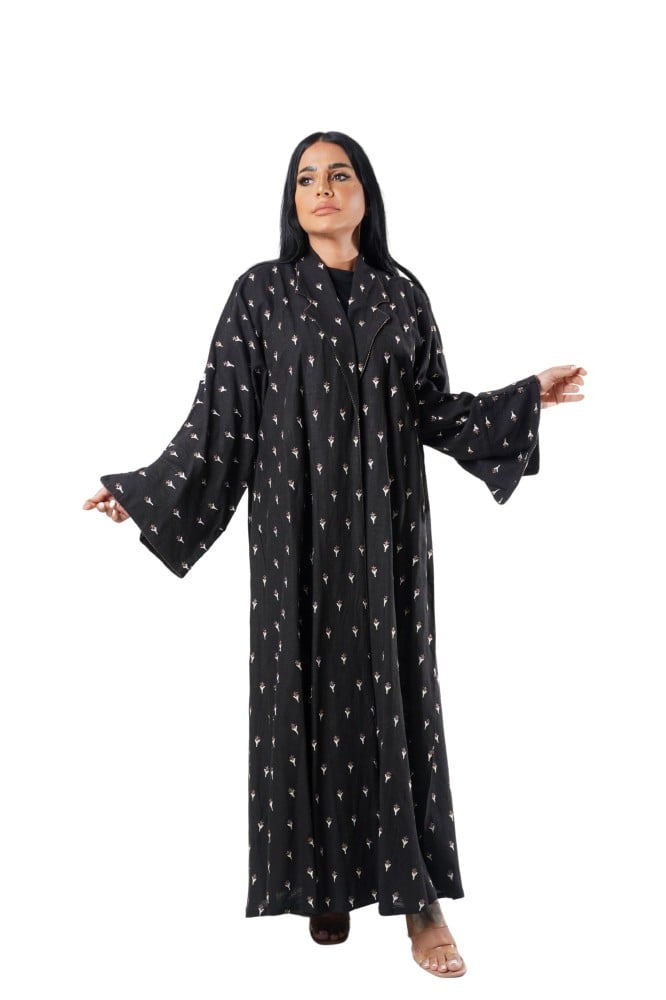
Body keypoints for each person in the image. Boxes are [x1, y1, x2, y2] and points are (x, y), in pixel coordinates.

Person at [83, 130, 586, 978]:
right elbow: (222, 420)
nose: (323, 189)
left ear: (364, 194)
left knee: (396, 695)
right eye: (307, 178)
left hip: (389, 536)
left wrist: (526, 396)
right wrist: (145, 490)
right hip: (294, 536)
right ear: (293, 200)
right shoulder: (261, 294)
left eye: (339, 175)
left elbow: (434, 410)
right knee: (301, 695)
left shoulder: (402, 293)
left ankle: (419, 903)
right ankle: (321, 883)